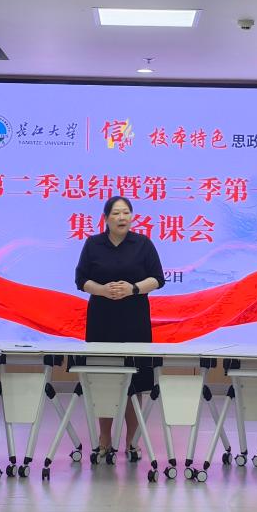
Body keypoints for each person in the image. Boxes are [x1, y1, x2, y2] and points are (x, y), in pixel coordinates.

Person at [74, 196, 165, 458]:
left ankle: (132, 441)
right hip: (102, 321)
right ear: (106, 218)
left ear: (132, 217)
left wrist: (133, 288)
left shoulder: (143, 244)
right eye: (116, 213)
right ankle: (104, 437)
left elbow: (158, 279)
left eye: (126, 212)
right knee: (104, 379)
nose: (122, 217)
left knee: (135, 382)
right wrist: (102, 290)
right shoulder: (93, 244)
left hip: (134, 321)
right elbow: (81, 280)